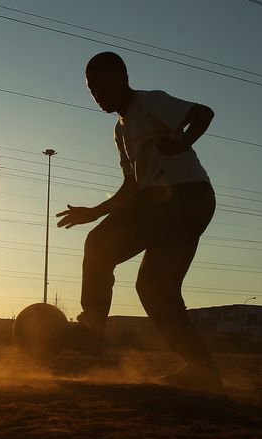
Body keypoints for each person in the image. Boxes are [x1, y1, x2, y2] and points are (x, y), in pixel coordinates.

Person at [56, 52, 220, 388]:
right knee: (154, 289)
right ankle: (202, 369)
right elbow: (132, 187)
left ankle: (92, 329)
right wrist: (94, 212)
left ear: (122, 78)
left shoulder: (148, 103)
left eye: (102, 85)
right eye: (91, 89)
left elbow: (203, 113)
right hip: (169, 204)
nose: (97, 94)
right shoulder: (121, 131)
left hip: (184, 197)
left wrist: (182, 142)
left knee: (101, 245)